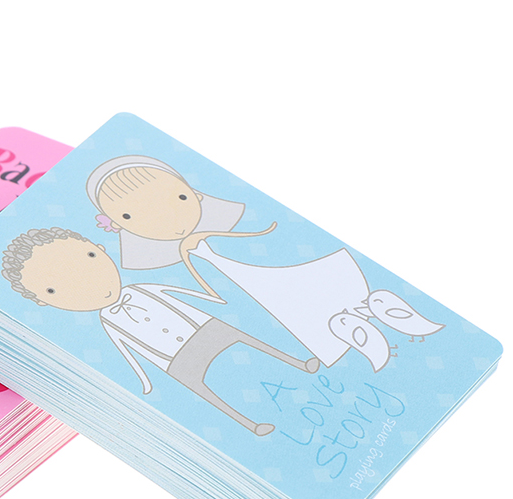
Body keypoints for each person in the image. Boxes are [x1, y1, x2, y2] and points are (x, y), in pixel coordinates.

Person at [86, 155, 442, 371]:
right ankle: (359, 333)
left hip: (271, 274)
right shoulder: (175, 260)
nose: (164, 217)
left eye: (178, 197)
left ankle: (375, 308)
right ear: (121, 226)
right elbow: (207, 289)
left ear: (193, 193)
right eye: (131, 216)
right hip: (253, 293)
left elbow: (258, 240)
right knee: (298, 315)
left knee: (310, 291)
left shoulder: (223, 228)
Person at [1, 227, 320, 437]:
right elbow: (126, 348)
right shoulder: (108, 320)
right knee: (205, 391)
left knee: (245, 338)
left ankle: (298, 363)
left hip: (199, 326)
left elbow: (174, 293)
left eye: (89, 258)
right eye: (55, 289)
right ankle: (249, 423)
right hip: (172, 357)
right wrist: (144, 379)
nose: (87, 282)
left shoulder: (139, 288)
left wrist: (211, 299)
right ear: (44, 301)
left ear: (100, 248)